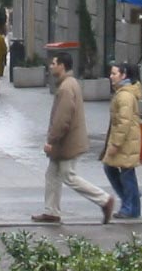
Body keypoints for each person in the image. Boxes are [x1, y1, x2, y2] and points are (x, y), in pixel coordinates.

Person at [31, 51, 115, 225]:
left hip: (67, 142)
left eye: (54, 63)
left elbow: (62, 118)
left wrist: (51, 140)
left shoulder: (66, 87)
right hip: (66, 141)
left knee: (68, 176)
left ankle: (104, 200)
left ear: (62, 66)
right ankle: (51, 211)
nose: (51, 66)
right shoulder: (69, 83)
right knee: (52, 174)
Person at [101, 62, 142, 219]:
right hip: (127, 140)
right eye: (111, 73)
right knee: (123, 172)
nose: (111, 77)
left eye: (114, 73)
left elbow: (123, 122)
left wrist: (115, 144)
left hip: (126, 141)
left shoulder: (124, 95)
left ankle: (129, 205)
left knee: (123, 172)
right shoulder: (123, 92)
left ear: (124, 75)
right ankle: (132, 203)